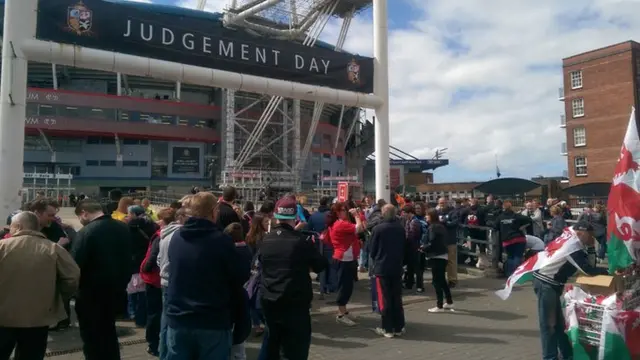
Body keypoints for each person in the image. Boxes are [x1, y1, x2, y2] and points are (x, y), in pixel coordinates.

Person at [164, 192, 249, 359]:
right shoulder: (221, 241)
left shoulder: (176, 238)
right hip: (212, 319)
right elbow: (239, 276)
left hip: (179, 317)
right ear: (214, 211)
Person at [0, 212, 80, 360]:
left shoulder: (2, 246)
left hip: (3, 316)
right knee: (31, 355)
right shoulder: (54, 249)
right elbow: (72, 277)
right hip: (39, 317)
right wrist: (59, 296)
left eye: (10, 226)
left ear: (17, 226)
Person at [258, 196, 328, 359]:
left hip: (270, 300)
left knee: (272, 343)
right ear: (295, 217)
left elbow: (261, 262)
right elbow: (320, 265)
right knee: (296, 348)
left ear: (276, 216)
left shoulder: (266, 239)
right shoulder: (300, 242)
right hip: (295, 303)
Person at [531, 221, 608, 360]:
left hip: (551, 283)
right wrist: (609, 271)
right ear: (581, 233)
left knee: (558, 324)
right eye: (590, 235)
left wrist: (590, 248)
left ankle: (567, 354)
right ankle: (550, 357)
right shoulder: (572, 246)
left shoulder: (574, 242)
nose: (593, 239)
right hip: (546, 282)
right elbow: (588, 269)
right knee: (549, 324)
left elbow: (589, 265)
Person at [72, 200, 133, 360]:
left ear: (84, 213)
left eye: (80, 216)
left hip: (90, 294)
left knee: (92, 338)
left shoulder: (86, 232)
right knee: (109, 334)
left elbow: (75, 265)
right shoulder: (122, 227)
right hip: (117, 291)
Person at [369, 204, 406, 338]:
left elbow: (372, 250)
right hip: (396, 266)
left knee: (385, 298)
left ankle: (388, 328)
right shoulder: (400, 228)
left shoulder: (378, 229)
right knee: (397, 297)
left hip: (382, 267)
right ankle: (399, 326)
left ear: (383, 213)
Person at [157, 205, 187, 360]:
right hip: (174, 281)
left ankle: (162, 353)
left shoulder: (164, 235)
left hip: (164, 279)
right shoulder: (179, 235)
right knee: (173, 324)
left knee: (165, 320)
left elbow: (158, 259)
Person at [327, 202, 365, 326]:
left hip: (347, 259)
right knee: (344, 288)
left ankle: (344, 312)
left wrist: (358, 216)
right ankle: (340, 314)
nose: (346, 211)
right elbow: (358, 228)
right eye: (343, 210)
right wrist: (356, 215)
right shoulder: (340, 224)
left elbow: (362, 227)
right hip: (343, 259)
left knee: (347, 287)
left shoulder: (341, 223)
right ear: (337, 212)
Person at [422, 209, 455, 313]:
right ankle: (449, 302)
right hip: (442, 255)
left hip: (436, 256)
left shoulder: (433, 228)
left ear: (431, 216)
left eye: (427, 215)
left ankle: (439, 305)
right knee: (442, 281)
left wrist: (423, 248)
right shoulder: (440, 226)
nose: (426, 217)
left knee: (436, 281)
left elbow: (432, 242)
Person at [494, 200, 533, 277]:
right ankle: (516, 275)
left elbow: (495, 227)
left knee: (510, 257)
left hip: (507, 240)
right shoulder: (516, 216)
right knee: (518, 256)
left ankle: (510, 275)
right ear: (511, 207)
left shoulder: (500, 217)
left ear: (503, 208)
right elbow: (529, 219)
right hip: (519, 238)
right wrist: (522, 227)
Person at [307, 196, 337, 298]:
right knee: (332, 265)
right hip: (330, 243)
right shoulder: (331, 216)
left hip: (318, 243)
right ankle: (332, 286)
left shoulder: (314, 216)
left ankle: (322, 287)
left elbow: (308, 229)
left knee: (322, 266)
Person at [403, 203, 427, 293]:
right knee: (410, 267)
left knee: (417, 268)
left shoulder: (415, 222)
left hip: (415, 248)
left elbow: (414, 235)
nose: (403, 215)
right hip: (410, 248)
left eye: (404, 213)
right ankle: (409, 284)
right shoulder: (409, 221)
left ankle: (419, 286)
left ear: (409, 213)